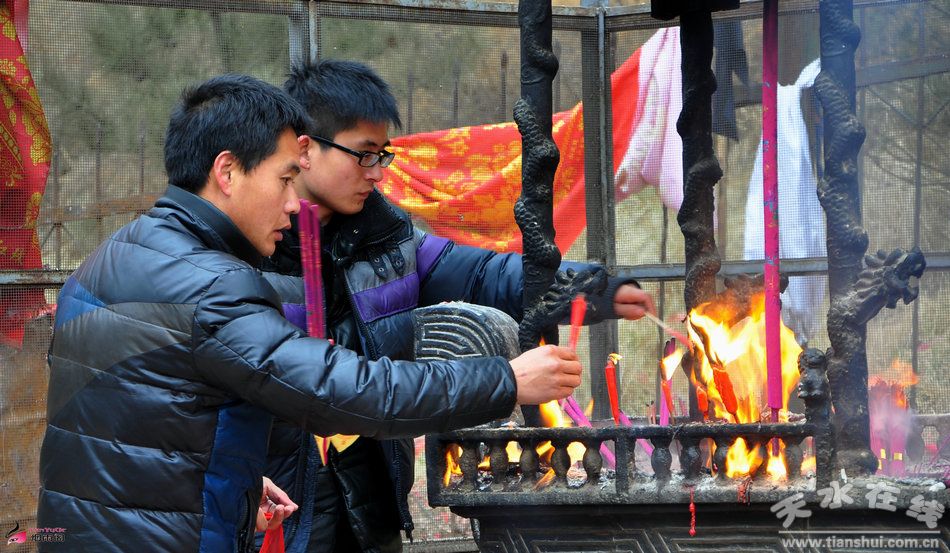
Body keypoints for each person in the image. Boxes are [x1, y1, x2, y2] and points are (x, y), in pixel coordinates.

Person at [35, 74, 585, 553]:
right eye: (282, 180)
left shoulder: (107, 260)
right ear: (227, 172)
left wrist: (235, 481)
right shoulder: (213, 285)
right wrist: (505, 380)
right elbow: (341, 393)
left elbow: (134, 421)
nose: (292, 203)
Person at [261, 59, 656, 553]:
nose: (377, 173)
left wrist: (593, 290)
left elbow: (483, 274)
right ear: (305, 150)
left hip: (371, 494)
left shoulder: (387, 236)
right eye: (363, 155)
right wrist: (501, 377)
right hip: (278, 500)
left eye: (382, 155)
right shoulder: (250, 250)